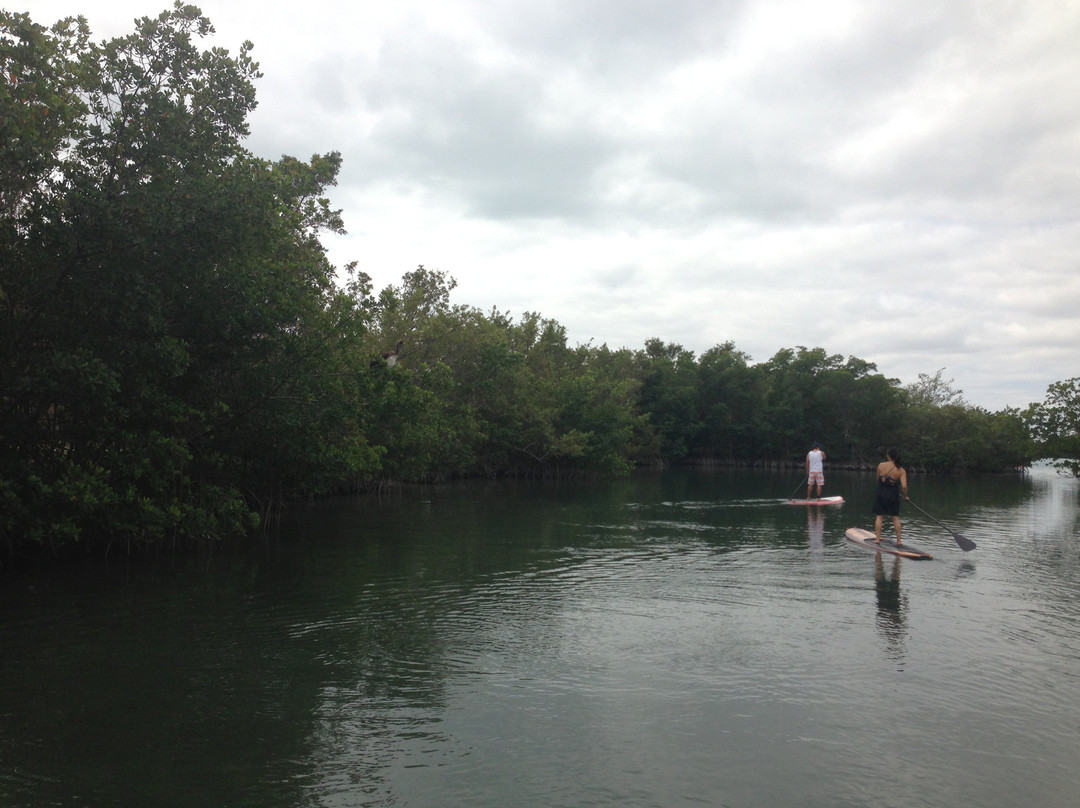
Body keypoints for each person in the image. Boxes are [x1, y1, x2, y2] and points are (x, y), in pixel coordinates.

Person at [873, 448, 909, 544]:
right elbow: (904, 487)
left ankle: (877, 539)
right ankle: (899, 540)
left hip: (881, 493)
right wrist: (905, 497)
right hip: (893, 495)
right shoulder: (901, 470)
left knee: (879, 516)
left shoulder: (881, 465)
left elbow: (878, 479)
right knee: (895, 517)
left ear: (888, 456)